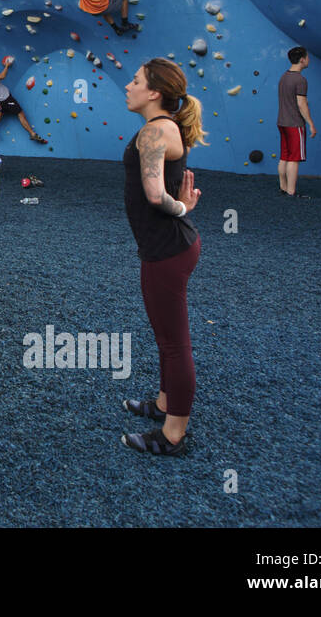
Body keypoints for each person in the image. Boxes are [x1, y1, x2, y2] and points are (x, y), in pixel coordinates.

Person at [119, 58, 206, 458]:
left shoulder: (154, 132)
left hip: (167, 250)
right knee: (166, 337)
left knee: (174, 343)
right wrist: (180, 208)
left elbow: (155, 195)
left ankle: (174, 435)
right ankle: (164, 404)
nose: (128, 85)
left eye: (135, 80)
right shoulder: (163, 128)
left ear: (154, 92)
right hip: (167, 246)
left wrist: (183, 209)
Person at [0, 59, 47, 144]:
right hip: (5, 98)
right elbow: (2, 76)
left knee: (0, 113)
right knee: (20, 113)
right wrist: (7, 66)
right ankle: (32, 133)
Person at [276, 46, 317, 198]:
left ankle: (283, 187)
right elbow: (301, 104)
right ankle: (291, 191)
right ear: (302, 60)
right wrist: (311, 123)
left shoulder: (284, 77)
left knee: (284, 156)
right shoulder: (300, 80)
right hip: (294, 124)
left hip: (282, 122)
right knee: (294, 159)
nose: (309, 60)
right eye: (307, 57)